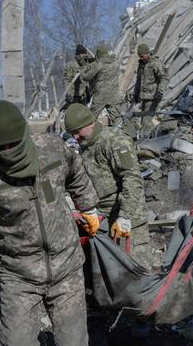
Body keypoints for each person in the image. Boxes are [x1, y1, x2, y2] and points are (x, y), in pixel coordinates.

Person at [0, 100, 100, 345]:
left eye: (15, 144)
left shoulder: (52, 148)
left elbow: (76, 171)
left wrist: (88, 207)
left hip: (67, 267)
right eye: (2, 148)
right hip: (18, 276)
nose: (9, 152)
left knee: (74, 341)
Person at [64, 103, 151, 268]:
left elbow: (132, 178)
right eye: (71, 133)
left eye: (77, 132)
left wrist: (125, 216)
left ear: (91, 123)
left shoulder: (114, 141)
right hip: (103, 220)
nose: (75, 137)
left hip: (128, 219)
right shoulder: (85, 145)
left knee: (135, 272)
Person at [80, 44, 123, 126]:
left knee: (91, 117)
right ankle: (123, 133)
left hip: (101, 96)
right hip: (113, 94)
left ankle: (87, 135)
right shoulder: (115, 62)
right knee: (116, 117)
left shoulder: (99, 64)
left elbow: (87, 77)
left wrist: (83, 70)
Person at [132, 43, 168, 113]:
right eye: (140, 57)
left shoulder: (156, 63)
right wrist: (136, 94)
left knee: (146, 121)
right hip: (143, 98)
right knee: (144, 121)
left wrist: (160, 92)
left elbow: (164, 78)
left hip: (153, 98)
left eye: (142, 56)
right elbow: (139, 80)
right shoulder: (141, 65)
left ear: (147, 53)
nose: (141, 58)